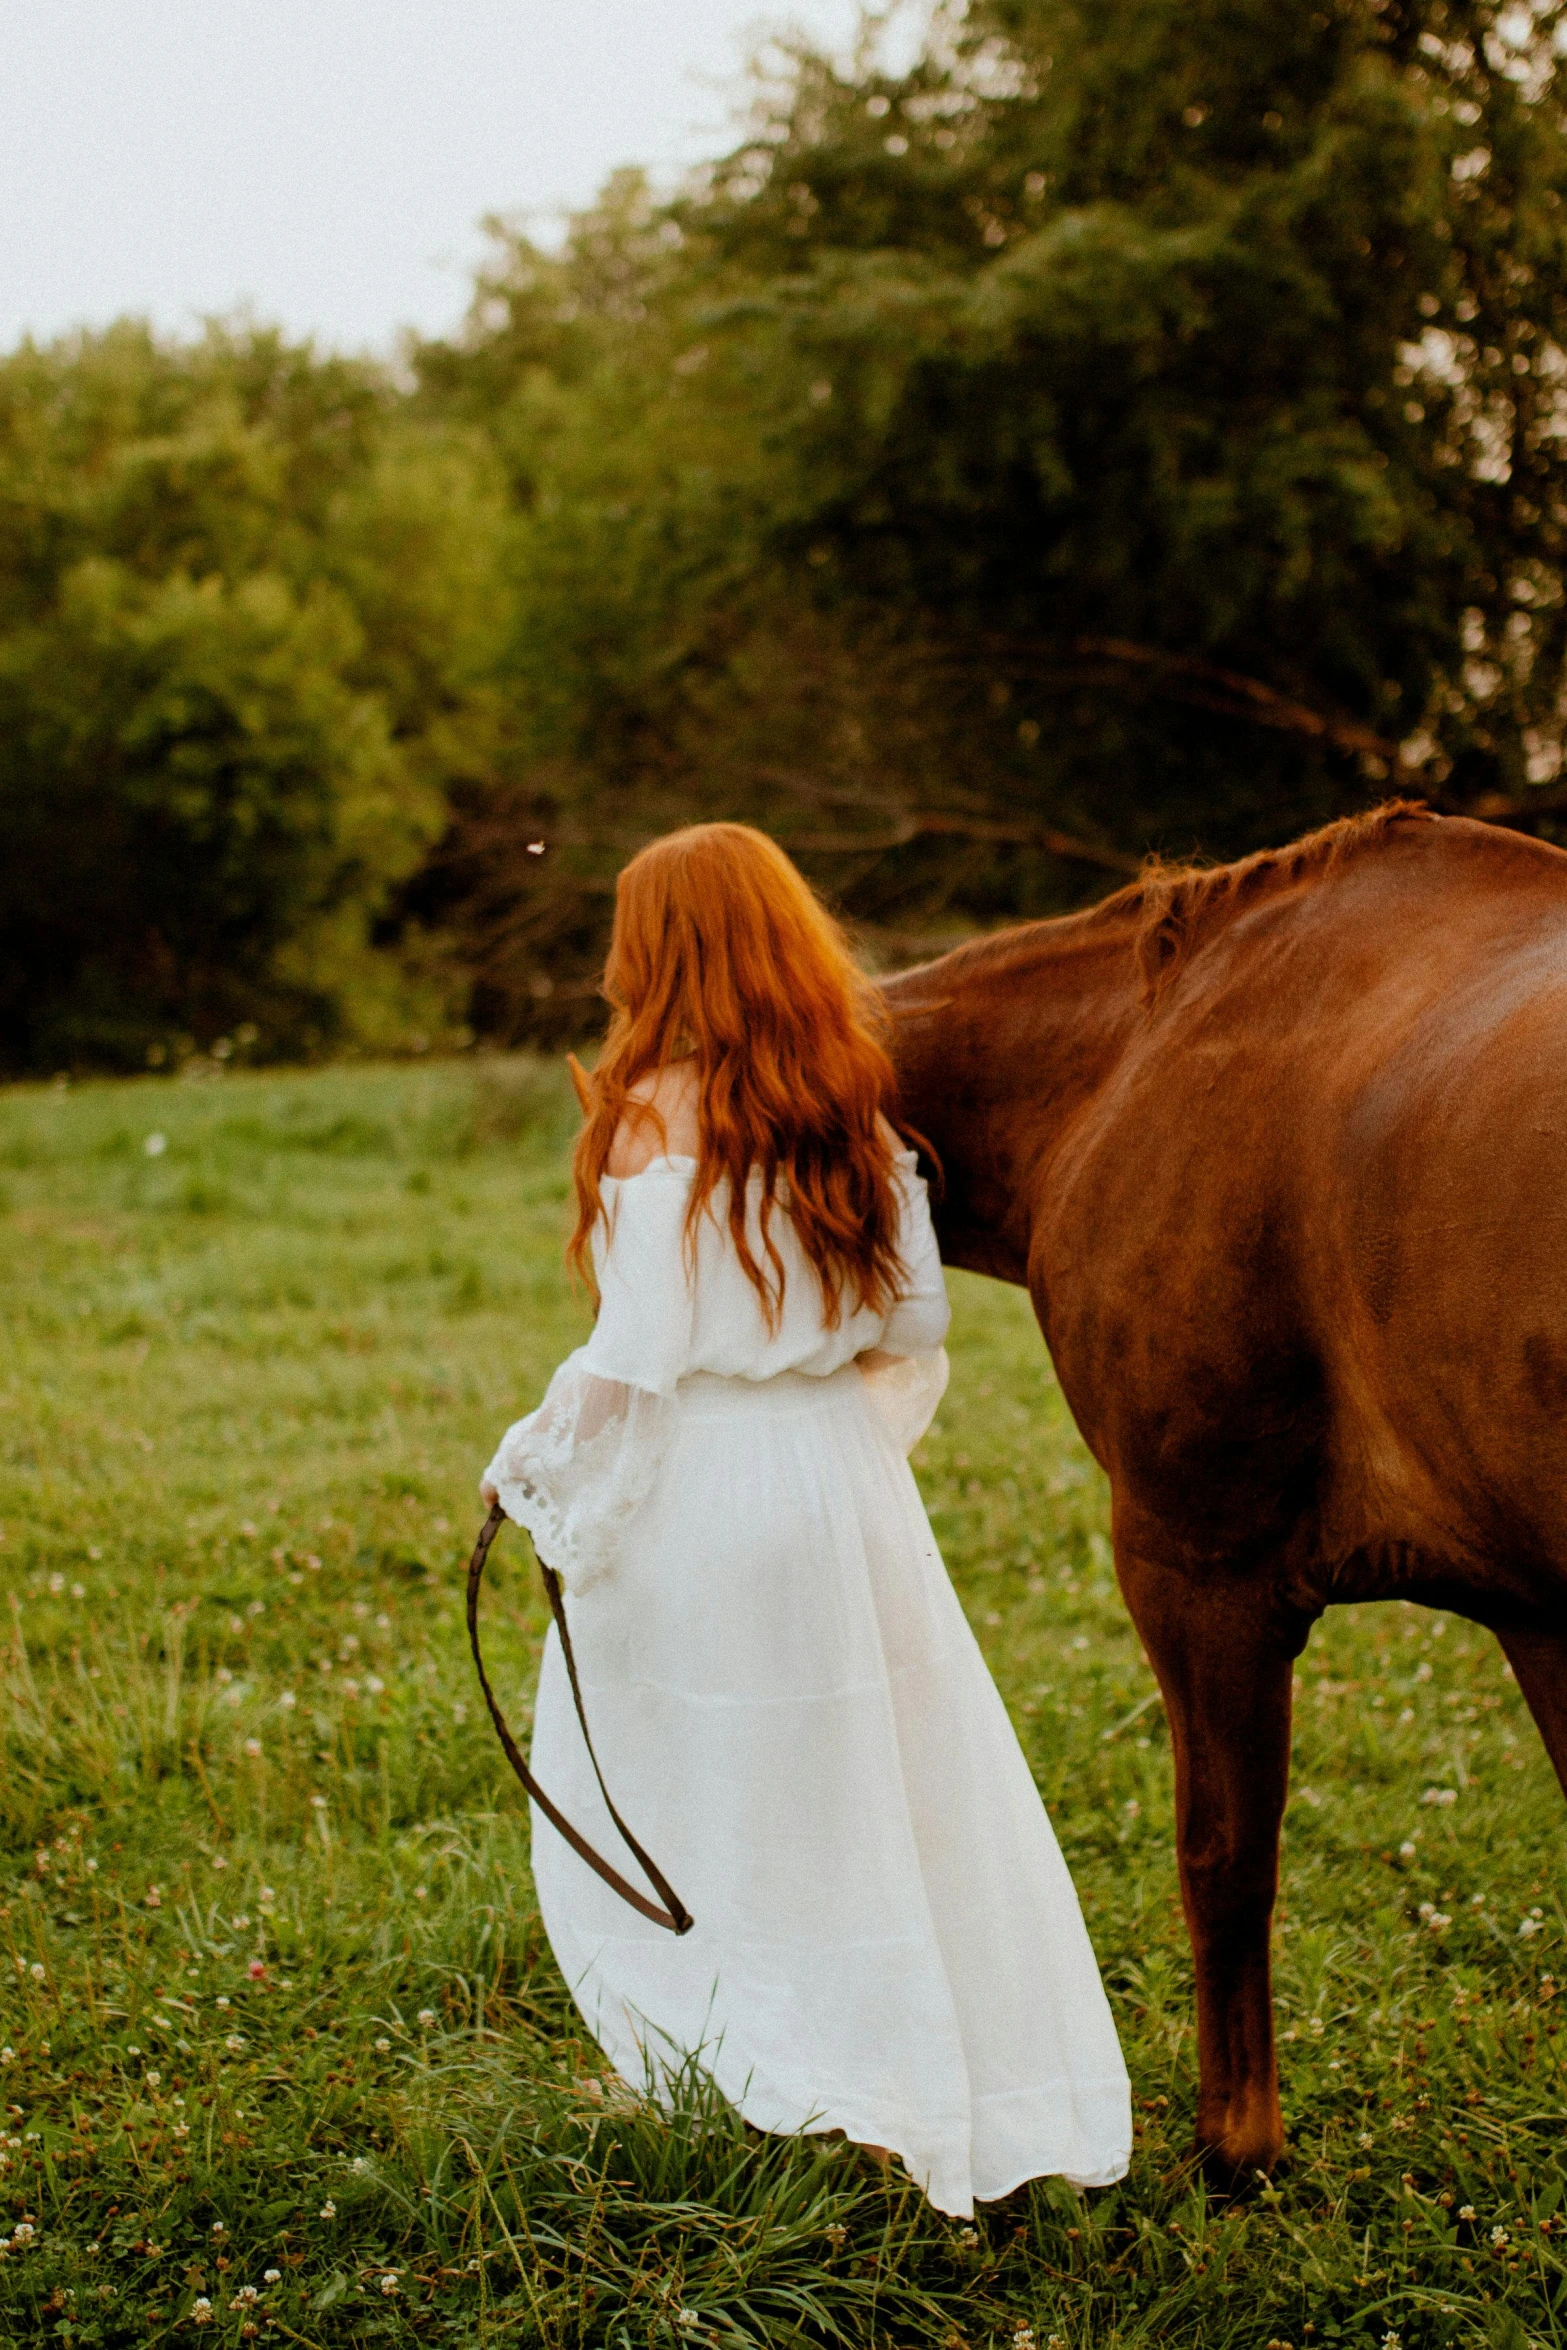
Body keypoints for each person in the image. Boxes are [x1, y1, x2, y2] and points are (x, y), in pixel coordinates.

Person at [480, 823, 1130, 2218]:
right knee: (870, 1785)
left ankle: (759, 2055)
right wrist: (835, 1442)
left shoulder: (643, 1110)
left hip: (704, 1491)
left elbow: (632, 1357)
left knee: (707, 1783)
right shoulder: (856, 1112)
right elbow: (911, 1325)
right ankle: (898, 2081)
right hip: (840, 1488)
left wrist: (528, 1466)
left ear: (657, 948)